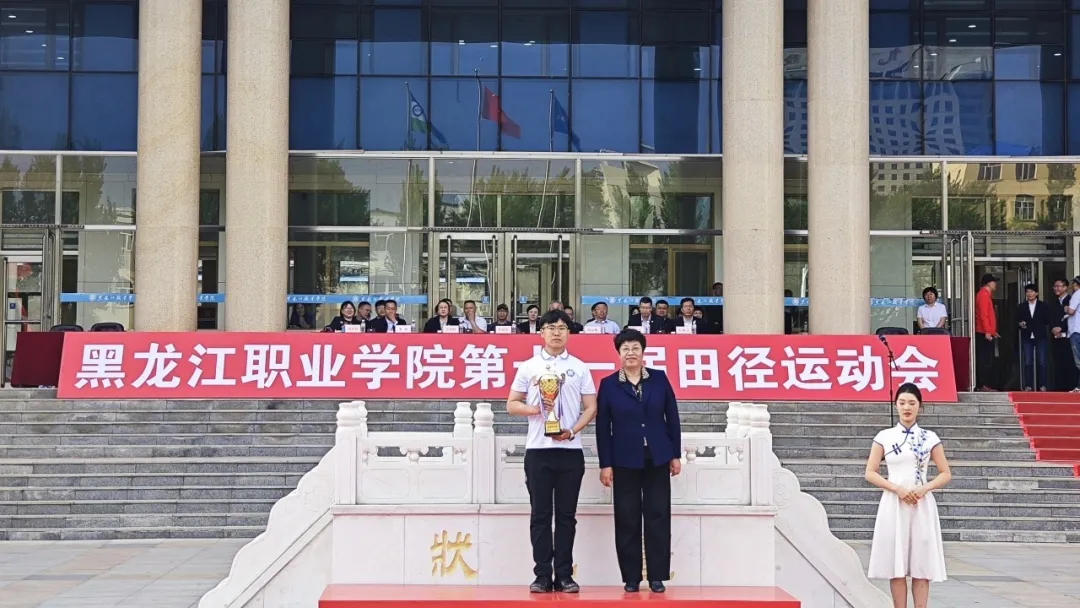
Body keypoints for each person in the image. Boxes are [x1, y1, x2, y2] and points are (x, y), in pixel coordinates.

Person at [506, 310, 598, 593]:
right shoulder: (529, 367)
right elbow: (511, 404)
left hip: (570, 451)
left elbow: (591, 407)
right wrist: (536, 409)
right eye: (551, 327)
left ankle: (565, 575)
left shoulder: (579, 367)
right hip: (538, 450)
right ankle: (543, 575)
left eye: (562, 328)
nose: (556, 332)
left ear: (569, 333)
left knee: (567, 516)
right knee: (541, 515)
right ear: (541, 332)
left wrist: (571, 431)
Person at [596, 329, 681, 593]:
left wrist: (675, 454)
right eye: (625, 349)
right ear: (618, 354)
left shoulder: (658, 378)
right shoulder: (609, 385)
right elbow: (603, 427)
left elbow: (672, 417)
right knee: (627, 517)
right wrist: (605, 463)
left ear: (643, 352)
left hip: (657, 458)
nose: (631, 353)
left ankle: (657, 576)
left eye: (635, 348)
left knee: (658, 515)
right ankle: (631, 577)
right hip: (624, 460)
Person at [865, 383, 951, 608]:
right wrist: (897, 489)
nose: (907, 407)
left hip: (921, 505)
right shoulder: (884, 437)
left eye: (912, 403)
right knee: (897, 565)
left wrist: (924, 488)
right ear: (895, 405)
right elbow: (870, 472)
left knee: (921, 566)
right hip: (894, 504)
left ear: (920, 406)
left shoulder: (930, 437)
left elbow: (945, 473)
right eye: (902, 402)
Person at [1016, 284, 1049, 391]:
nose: (1029, 294)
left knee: (1042, 362)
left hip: (1040, 336)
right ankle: (1028, 385)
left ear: (1036, 293)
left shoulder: (1043, 305)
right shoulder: (1021, 306)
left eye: (1032, 292)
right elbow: (1017, 320)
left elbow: (1047, 320)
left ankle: (1042, 385)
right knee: (1028, 362)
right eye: (1027, 292)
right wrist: (1020, 324)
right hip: (1027, 336)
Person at [1047, 279, 1076, 391]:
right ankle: (1059, 388)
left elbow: (1073, 318)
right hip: (1056, 337)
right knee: (1057, 363)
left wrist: (1061, 328)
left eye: (1058, 286)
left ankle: (1071, 387)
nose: (1056, 288)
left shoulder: (1071, 300)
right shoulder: (1053, 302)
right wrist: (1054, 328)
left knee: (1069, 362)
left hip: (1068, 337)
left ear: (1065, 287)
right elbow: (1050, 318)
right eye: (1054, 286)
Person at [974, 274, 999, 391]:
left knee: (987, 359)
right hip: (983, 332)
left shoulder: (985, 295)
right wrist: (988, 332)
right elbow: (984, 315)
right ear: (989, 283)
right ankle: (983, 384)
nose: (995, 284)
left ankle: (985, 384)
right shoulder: (983, 295)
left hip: (985, 332)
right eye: (994, 282)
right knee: (985, 359)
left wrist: (992, 331)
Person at [1065, 277, 1080, 393]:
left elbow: (1071, 311)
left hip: (1076, 331)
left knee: (1078, 361)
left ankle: (1079, 386)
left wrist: (1066, 308)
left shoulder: (1077, 294)